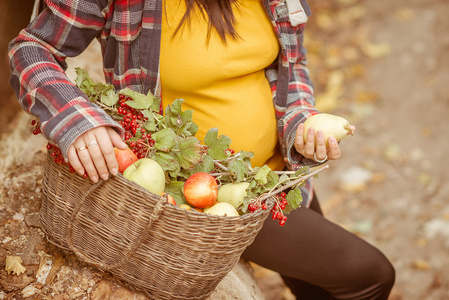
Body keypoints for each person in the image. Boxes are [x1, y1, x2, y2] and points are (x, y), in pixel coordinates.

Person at [9, 0, 395, 298]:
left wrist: (301, 118)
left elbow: (292, 65)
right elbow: (31, 49)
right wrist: (75, 121)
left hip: (280, 173)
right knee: (371, 276)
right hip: (218, 199)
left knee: (317, 288)